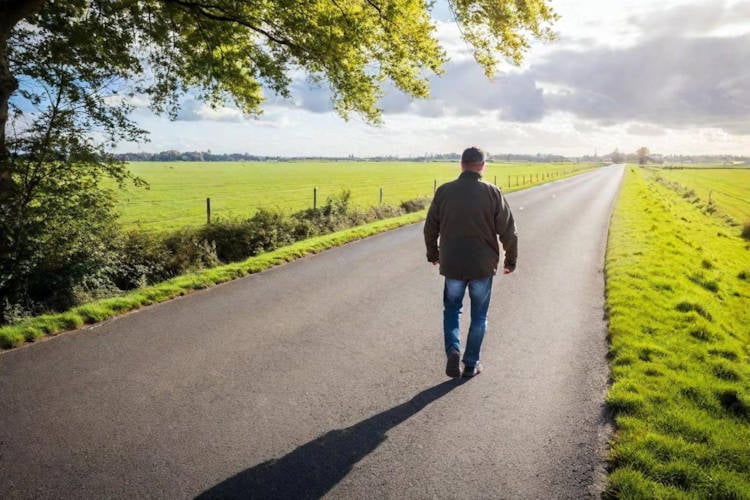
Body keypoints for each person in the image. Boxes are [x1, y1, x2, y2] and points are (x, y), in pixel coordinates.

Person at [423, 146, 518, 378]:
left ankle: (454, 349)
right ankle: (470, 363)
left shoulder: (444, 191)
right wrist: (511, 260)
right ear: (482, 166)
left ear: (461, 164)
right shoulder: (493, 192)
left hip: (452, 263)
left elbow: (430, 228)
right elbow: (508, 231)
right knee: (479, 316)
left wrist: (433, 254)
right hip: (482, 266)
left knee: (452, 310)